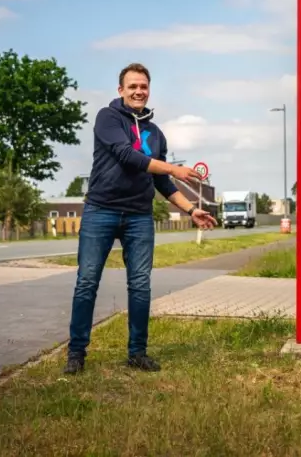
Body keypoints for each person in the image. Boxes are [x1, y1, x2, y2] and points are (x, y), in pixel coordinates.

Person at [64, 63, 217, 374]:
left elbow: (161, 182)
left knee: (140, 285)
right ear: (121, 90)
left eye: (143, 87)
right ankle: (76, 353)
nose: (138, 91)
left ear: (149, 91)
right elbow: (126, 156)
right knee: (87, 282)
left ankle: (137, 352)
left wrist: (190, 209)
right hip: (101, 210)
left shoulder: (155, 133)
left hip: (139, 217)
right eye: (132, 86)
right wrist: (173, 167)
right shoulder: (108, 118)